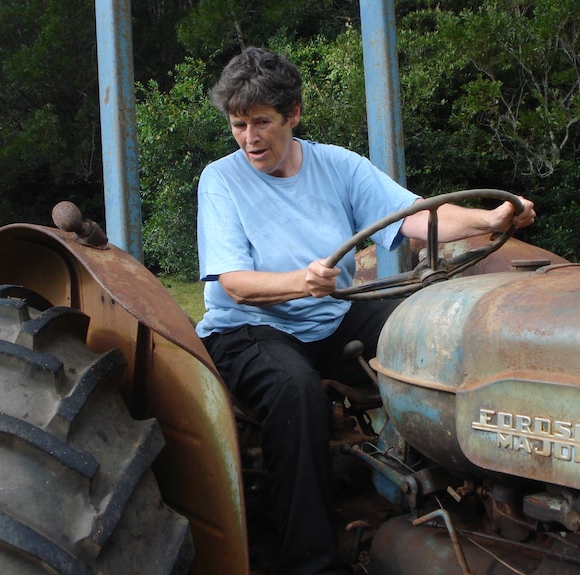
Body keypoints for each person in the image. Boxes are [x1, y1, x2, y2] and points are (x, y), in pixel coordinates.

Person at [195, 47, 536, 575]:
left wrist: (490, 219)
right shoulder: (221, 180)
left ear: (294, 114)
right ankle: (310, 563)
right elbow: (235, 285)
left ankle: (473, 494)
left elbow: (417, 219)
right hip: (249, 327)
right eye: (238, 125)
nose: (249, 138)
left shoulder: (338, 165)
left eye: (261, 122)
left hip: (330, 315)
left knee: (427, 330)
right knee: (295, 389)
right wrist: (297, 282)